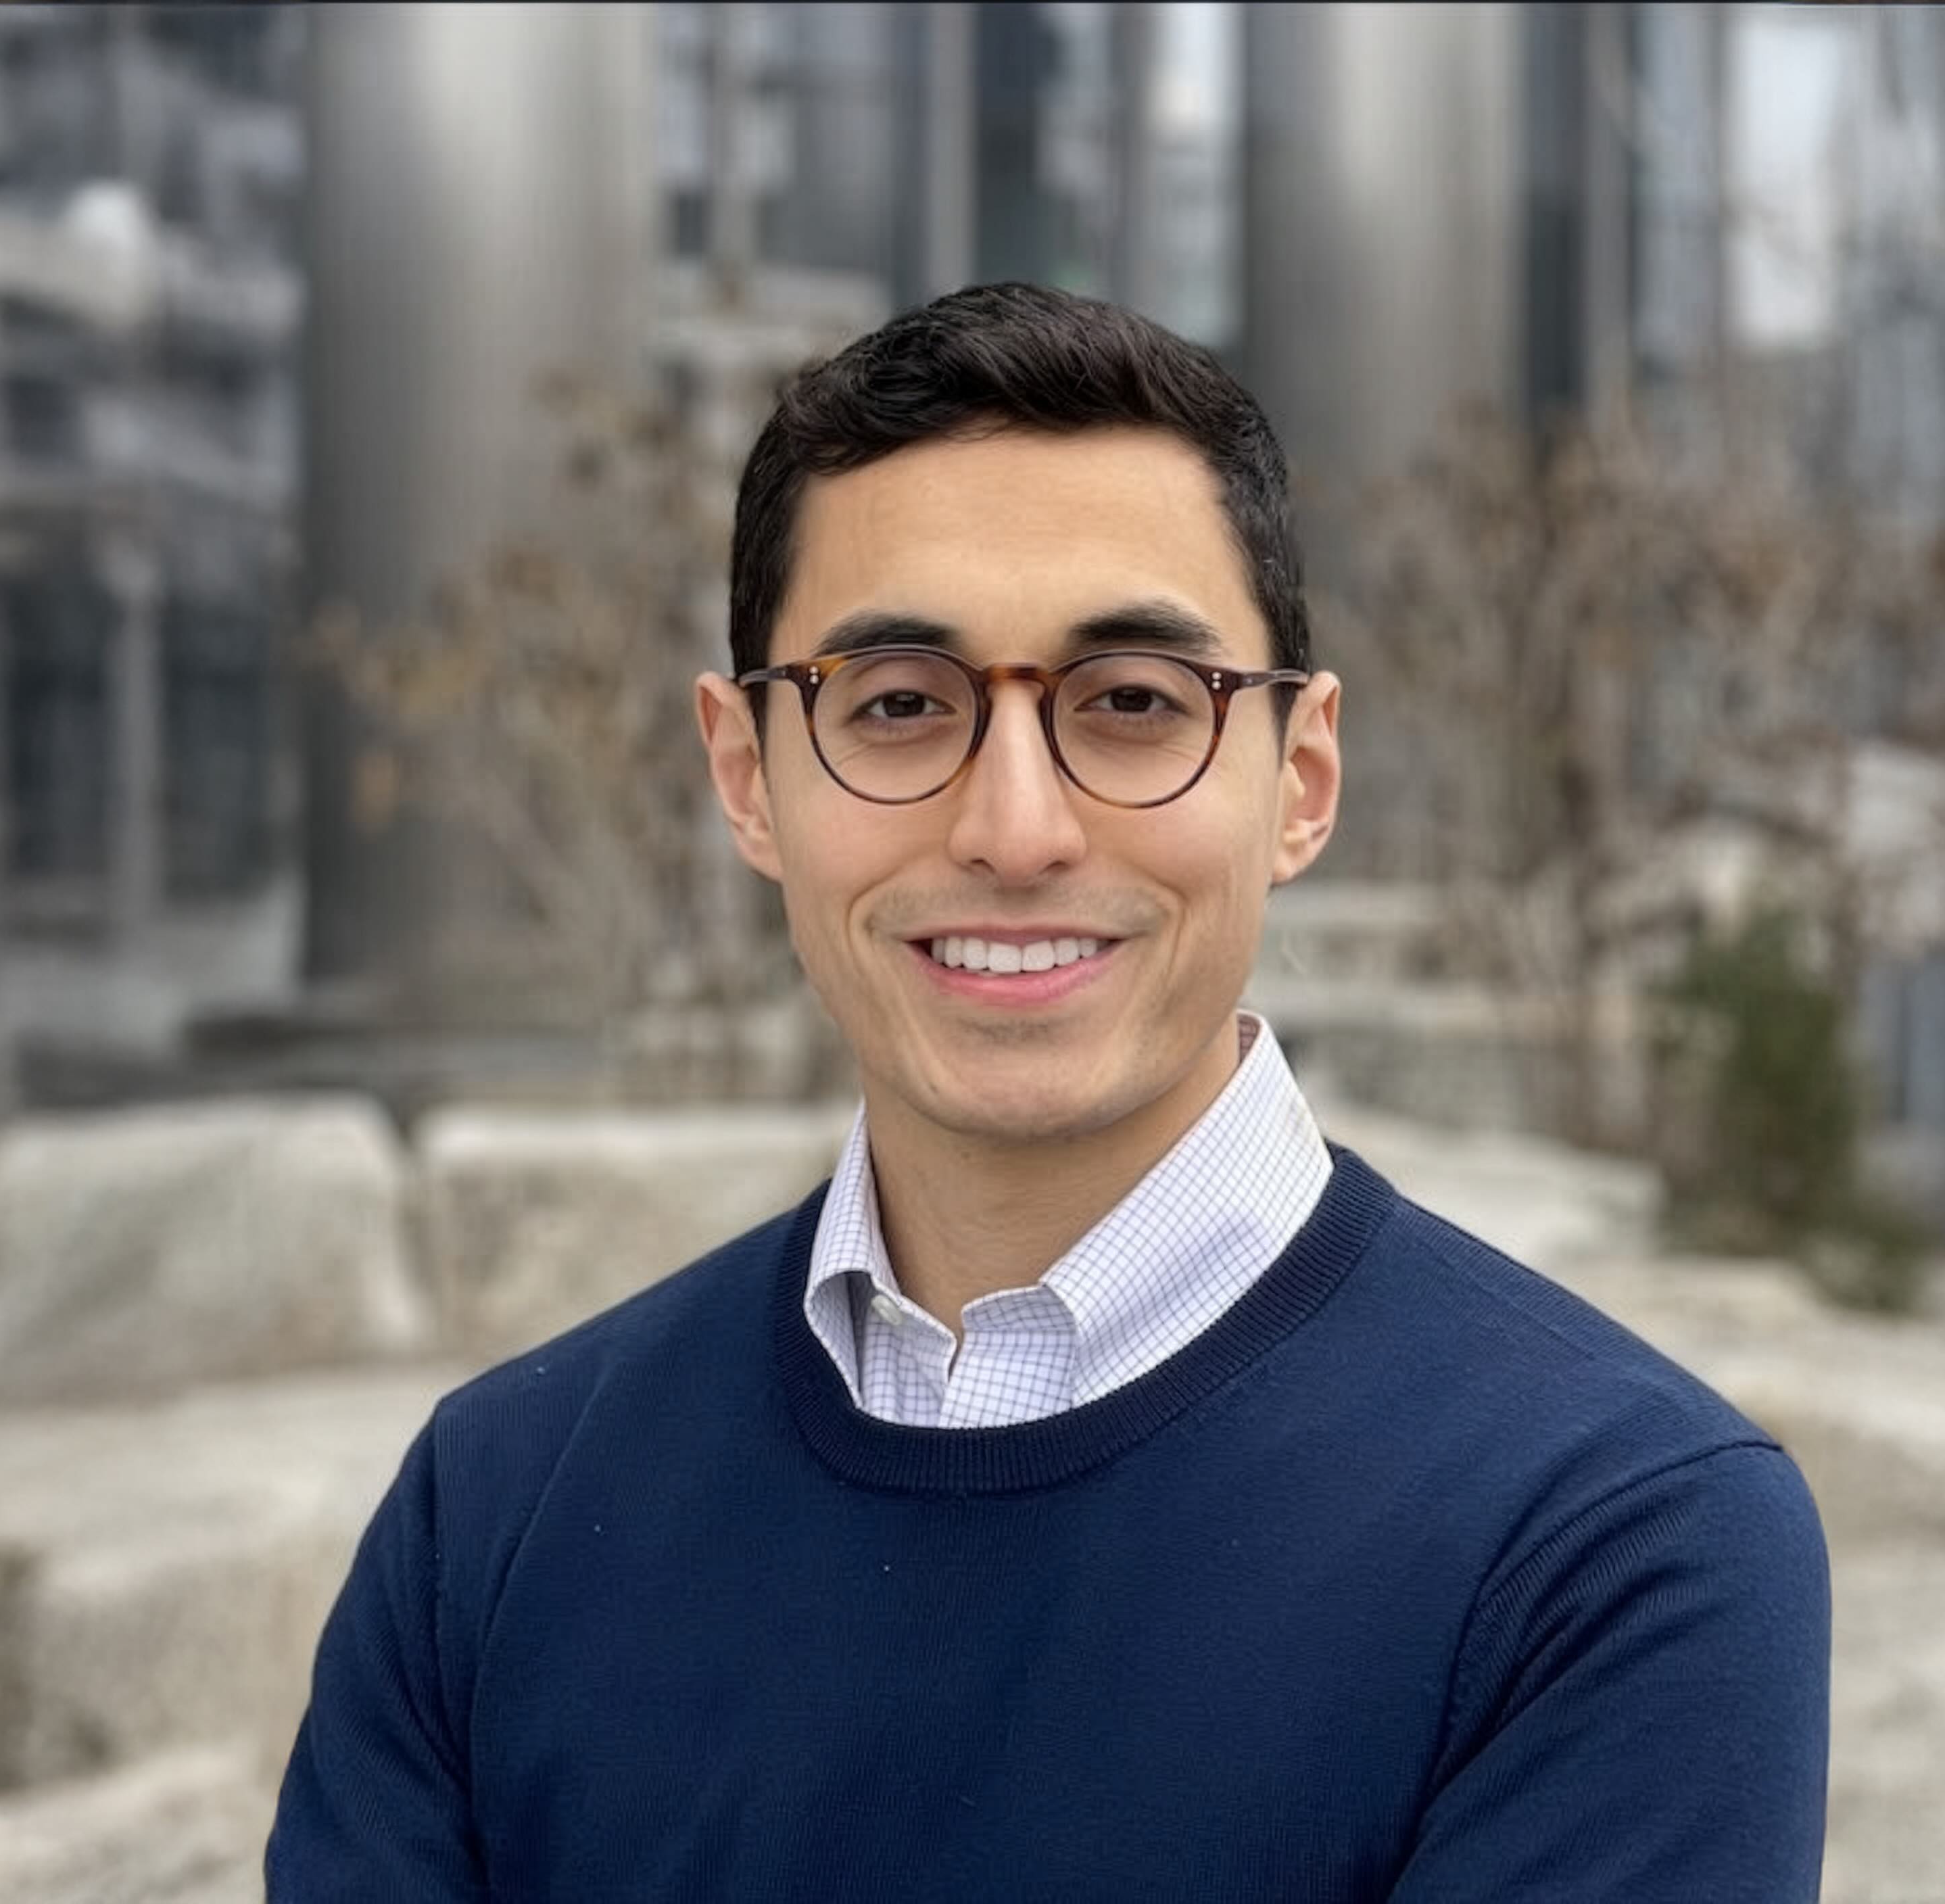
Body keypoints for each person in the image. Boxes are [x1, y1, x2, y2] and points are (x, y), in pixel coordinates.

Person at [268, 283, 1830, 1901]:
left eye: (1135, 705)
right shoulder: (497, 1514)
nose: (1015, 830)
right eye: (895, 708)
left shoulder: (1611, 1550)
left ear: (1298, 780)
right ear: (746, 779)